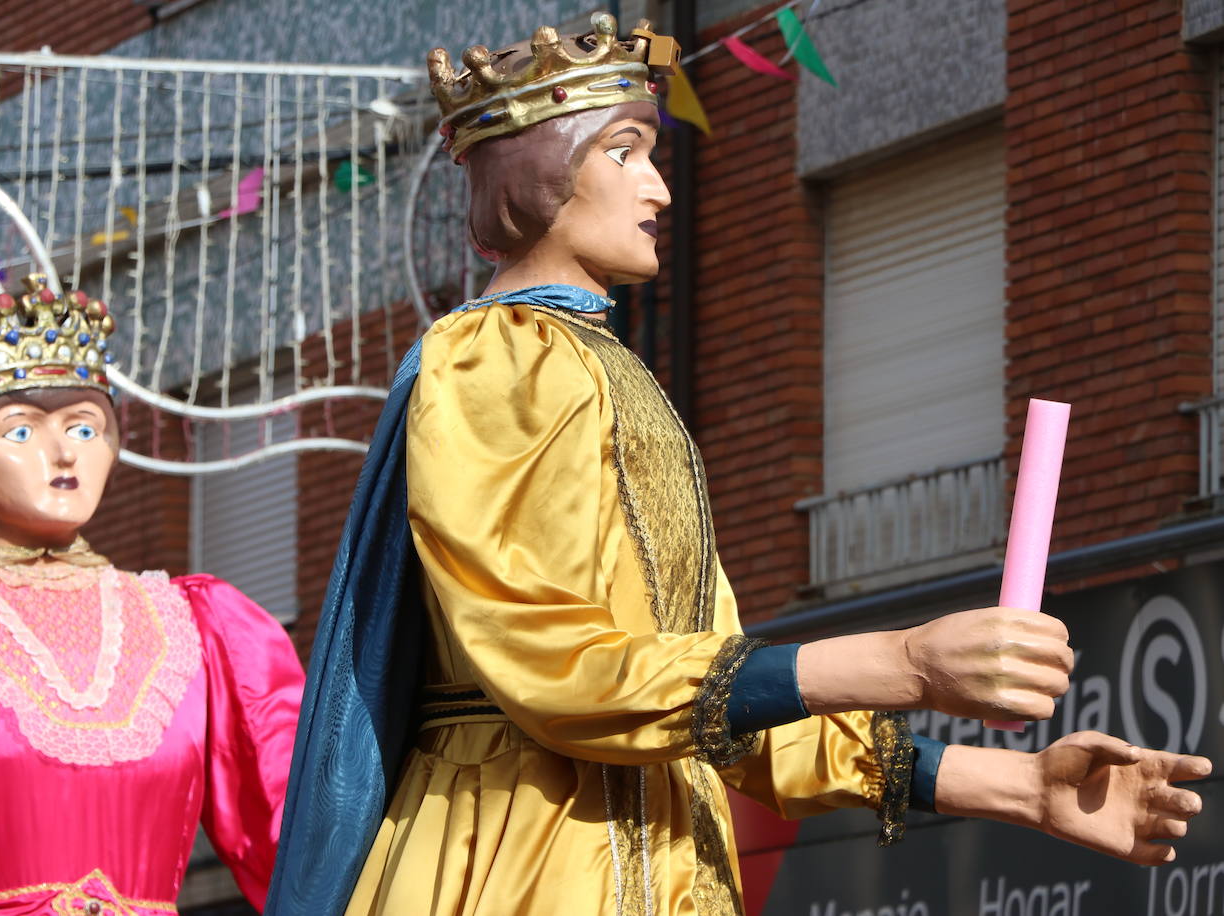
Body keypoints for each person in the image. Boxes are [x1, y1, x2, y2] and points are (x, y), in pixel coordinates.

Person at [266, 14, 1210, 916]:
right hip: (516, 855)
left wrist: (1017, 785)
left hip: (664, 855)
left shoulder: (615, 378)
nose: (660, 191)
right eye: (624, 152)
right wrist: (904, 659)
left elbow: (726, 707)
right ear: (539, 172)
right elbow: (558, 671)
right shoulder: (492, 359)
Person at [0, 275, 305, 915]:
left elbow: (306, 832)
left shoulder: (202, 627)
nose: (64, 452)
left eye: (86, 429)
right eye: (20, 432)